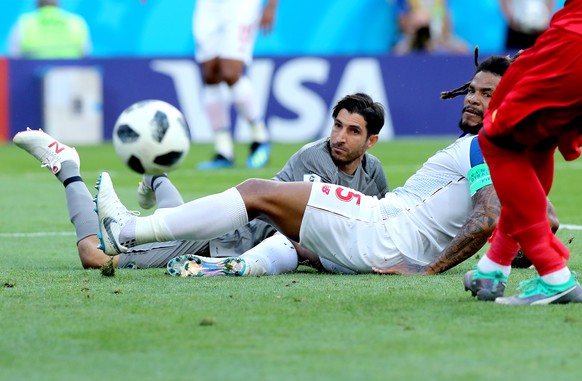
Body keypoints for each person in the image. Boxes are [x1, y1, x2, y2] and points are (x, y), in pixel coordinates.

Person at [95, 51, 561, 278]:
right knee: (293, 240)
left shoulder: (489, 145)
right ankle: (228, 264)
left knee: (258, 191)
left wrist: (429, 270)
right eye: (473, 90)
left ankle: (128, 231)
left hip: (383, 230)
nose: (475, 99)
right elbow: (542, 218)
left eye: (488, 94)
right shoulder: (514, 152)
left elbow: (488, 216)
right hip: (387, 241)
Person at [13, 93, 388, 275]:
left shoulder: (375, 175)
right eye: (337, 125)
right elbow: (311, 238)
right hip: (226, 236)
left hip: (232, 239)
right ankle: (66, 165)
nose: (339, 136)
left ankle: (155, 174)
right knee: (94, 256)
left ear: (370, 141)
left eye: (352, 131)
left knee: (173, 217)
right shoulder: (315, 159)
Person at [463, 0, 582, 305]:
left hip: (575, 39)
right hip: (569, 33)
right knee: (536, 140)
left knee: (496, 139)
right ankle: (493, 266)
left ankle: (554, 275)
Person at [193, 0, 278, 170]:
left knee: (230, 72)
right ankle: (223, 151)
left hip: (240, 5)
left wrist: (271, 5)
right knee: (210, 74)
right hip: (209, 5)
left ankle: (260, 139)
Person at [8, 0, 92, 59]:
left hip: (32, 77)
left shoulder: (25, 22)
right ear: (58, 2)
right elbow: (86, 52)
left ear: (37, 2)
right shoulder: (76, 22)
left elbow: (15, 56)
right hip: (72, 73)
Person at [392, 0, 469, 54]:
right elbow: (403, 25)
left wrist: (440, 39)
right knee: (399, 52)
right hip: (414, 36)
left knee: (462, 49)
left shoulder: (441, 1)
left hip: (438, 36)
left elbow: (446, 26)